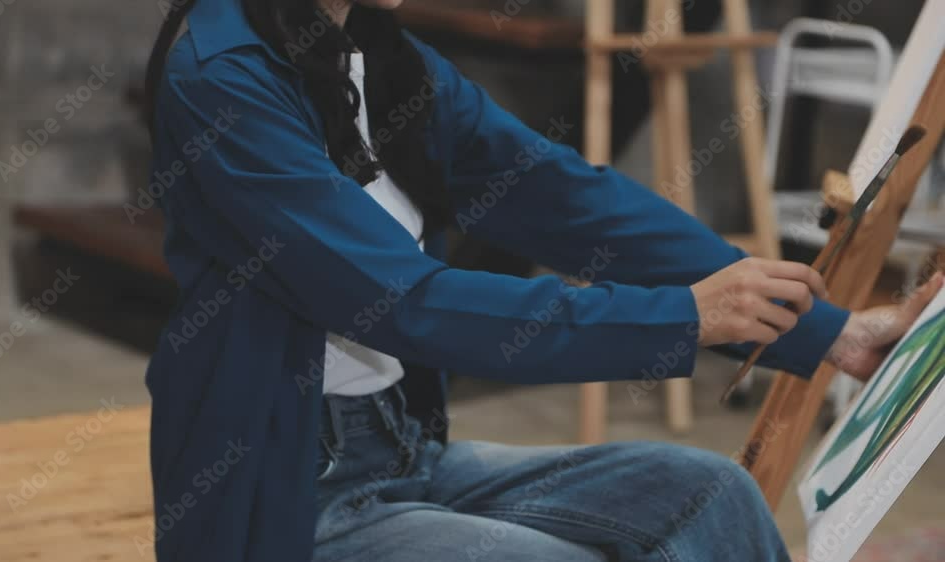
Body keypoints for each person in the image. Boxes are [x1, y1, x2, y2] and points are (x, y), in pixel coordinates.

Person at [141, 1, 943, 560]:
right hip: (284, 492)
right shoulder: (222, 78)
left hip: (401, 449)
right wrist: (684, 319)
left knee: (712, 494)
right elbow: (405, 302)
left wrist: (833, 334)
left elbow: (565, 199)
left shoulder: (379, 56)